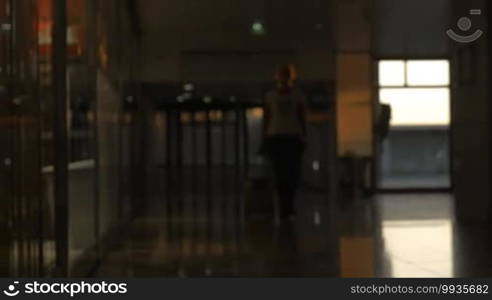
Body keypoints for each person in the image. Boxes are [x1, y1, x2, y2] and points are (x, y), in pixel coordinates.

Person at [263, 64, 307, 220]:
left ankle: (289, 205)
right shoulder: (270, 96)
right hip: (276, 136)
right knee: (280, 174)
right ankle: (283, 206)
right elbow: (267, 118)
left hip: (292, 137)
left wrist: (303, 136)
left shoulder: (298, 96)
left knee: (292, 174)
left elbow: (301, 118)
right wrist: (265, 138)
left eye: (286, 75)